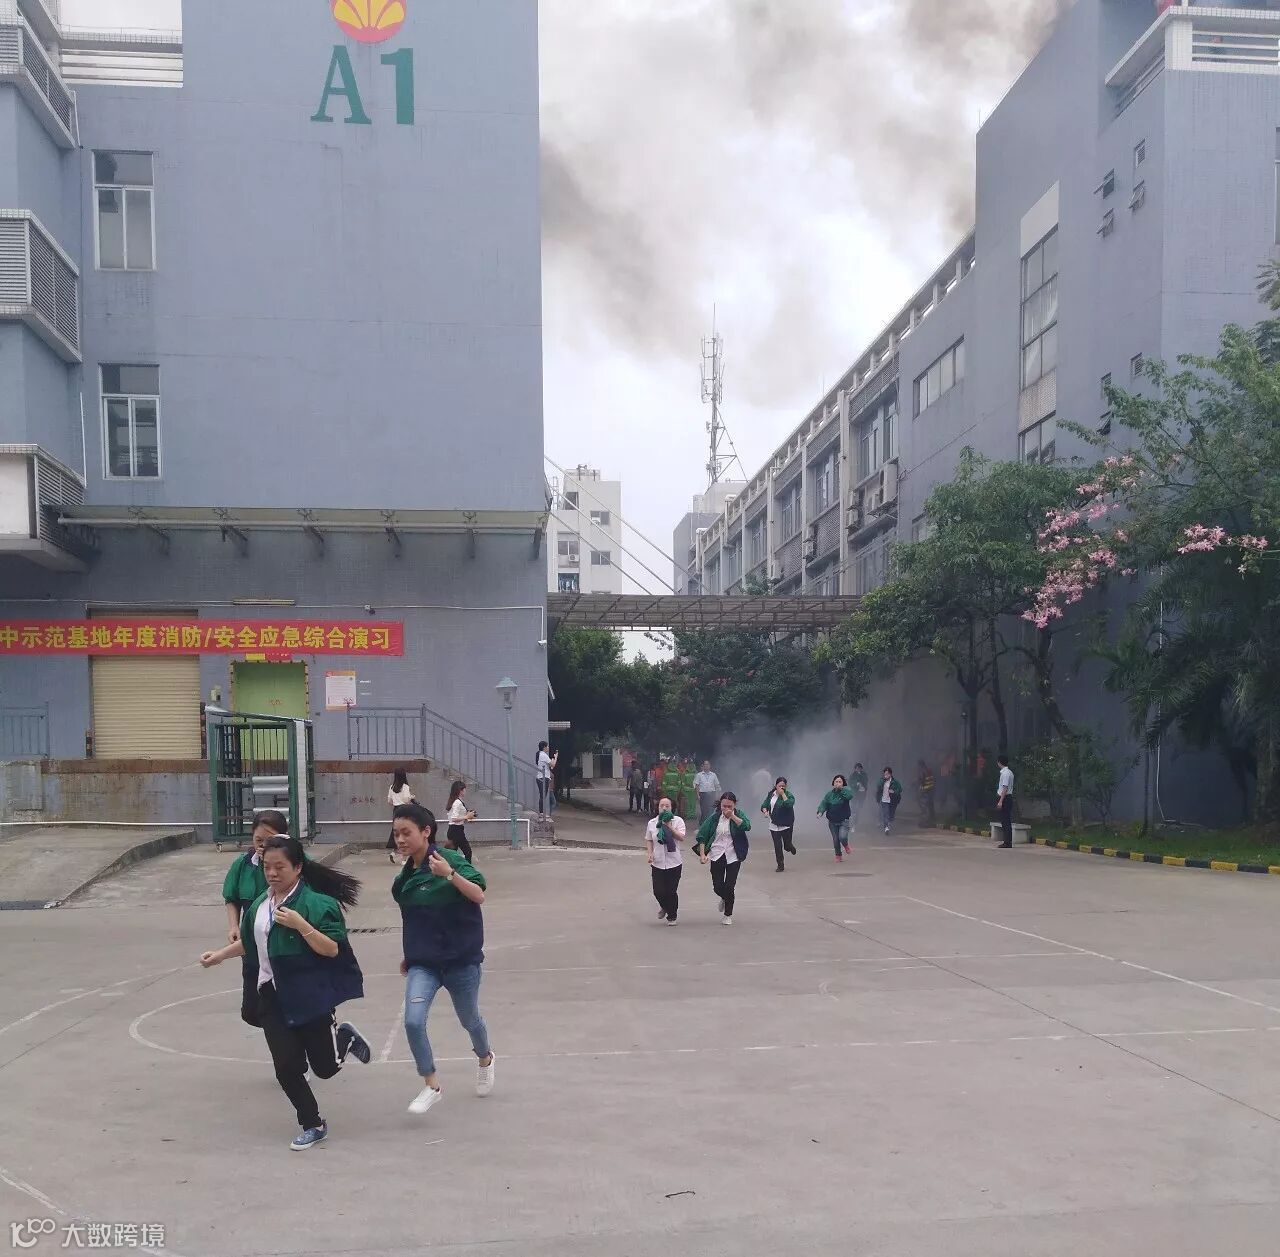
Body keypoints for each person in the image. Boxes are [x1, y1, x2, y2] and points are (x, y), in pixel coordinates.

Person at [200, 835, 371, 1151]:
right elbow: (250, 942)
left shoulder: (318, 904)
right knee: (286, 1067)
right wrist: (220, 955)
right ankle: (312, 1124)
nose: (272, 873)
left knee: (325, 1069)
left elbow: (331, 949)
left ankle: (344, 1039)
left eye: (280, 867)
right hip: (271, 995)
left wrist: (301, 925)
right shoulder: (259, 906)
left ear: (298, 867)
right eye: (267, 867)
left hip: (310, 995)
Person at [391, 802, 494, 1116]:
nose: (400, 840)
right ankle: (431, 1084)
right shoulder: (404, 879)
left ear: (426, 832)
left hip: (461, 961)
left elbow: (478, 895)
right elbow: (413, 919)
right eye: (396, 834)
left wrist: (449, 875)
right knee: (413, 1020)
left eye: (406, 832)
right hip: (424, 964)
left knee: (469, 1020)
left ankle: (486, 1058)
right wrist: (410, 954)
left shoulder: (450, 860)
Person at [222, 810, 281, 1026]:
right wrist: (234, 926)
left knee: (280, 1007)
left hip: (283, 946)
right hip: (252, 947)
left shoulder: (295, 864)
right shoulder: (243, 865)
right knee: (252, 1011)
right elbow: (232, 897)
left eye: (270, 840)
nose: (263, 845)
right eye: (259, 840)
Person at [693, 792, 751, 926]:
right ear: (720, 804)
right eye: (724, 806)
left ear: (734, 805)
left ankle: (728, 914)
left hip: (733, 855)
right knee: (718, 886)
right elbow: (702, 835)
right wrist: (702, 854)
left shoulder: (739, 814)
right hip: (717, 854)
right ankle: (724, 897)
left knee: (730, 886)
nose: (726, 809)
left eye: (730, 806)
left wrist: (733, 817)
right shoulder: (714, 818)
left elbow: (747, 826)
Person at [645, 796, 686, 924]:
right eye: (661, 806)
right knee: (658, 891)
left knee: (671, 891)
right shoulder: (652, 823)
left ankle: (672, 916)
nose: (664, 808)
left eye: (667, 806)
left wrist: (669, 826)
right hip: (658, 862)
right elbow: (649, 839)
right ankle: (665, 906)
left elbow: (681, 837)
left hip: (674, 862)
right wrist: (650, 853)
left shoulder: (678, 821)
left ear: (672, 808)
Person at [761, 776, 797, 872]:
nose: (781, 787)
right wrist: (765, 811)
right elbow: (764, 805)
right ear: (775, 785)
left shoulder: (789, 795)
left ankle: (790, 846)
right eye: (780, 786)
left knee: (786, 846)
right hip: (774, 824)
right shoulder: (771, 794)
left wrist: (783, 794)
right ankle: (780, 865)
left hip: (786, 824)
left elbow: (789, 804)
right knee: (777, 846)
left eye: (783, 786)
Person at [817, 775, 854, 861]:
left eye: (840, 782)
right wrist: (820, 812)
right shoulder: (829, 794)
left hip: (844, 820)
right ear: (833, 783)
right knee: (836, 839)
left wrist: (841, 790)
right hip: (832, 821)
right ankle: (838, 855)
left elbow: (850, 796)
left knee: (842, 837)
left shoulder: (846, 792)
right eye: (836, 782)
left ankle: (845, 845)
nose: (838, 783)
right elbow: (824, 803)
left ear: (843, 784)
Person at [445, 779, 477, 863]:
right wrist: (467, 816)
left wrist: (468, 816)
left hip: (455, 830)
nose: (465, 791)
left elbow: (457, 817)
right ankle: (467, 869)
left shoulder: (457, 801)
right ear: (460, 790)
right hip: (456, 831)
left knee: (452, 854)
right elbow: (454, 818)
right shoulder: (457, 802)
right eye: (464, 789)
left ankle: (449, 868)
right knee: (467, 852)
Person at [387, 769, 415, 863]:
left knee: (396, 831)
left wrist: (396, 800)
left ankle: (394, 852)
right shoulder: (405, 787)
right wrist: (412, 797)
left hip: (395, 810)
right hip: (404, 810)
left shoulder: (392, 787)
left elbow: (389, 801)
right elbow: (406, 800)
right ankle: (404, 858)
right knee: (405, 832)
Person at [996, 754, 1016, 848]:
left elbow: (1005, 788)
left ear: (999, 762)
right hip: (1007, 797)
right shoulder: (1009, 772)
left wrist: (1000, 801)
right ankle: (1007, 841)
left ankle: (1007, 842)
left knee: (1005, 821)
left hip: (1005, 798)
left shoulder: (1005, 774)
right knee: (1005, 820)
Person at [535, 741, 558, 817]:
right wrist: (556, 757)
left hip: (542, 777)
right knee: (543, 796)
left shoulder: (541, 755)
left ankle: (541, 812)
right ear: (544, 747)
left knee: (543, 796)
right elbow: (553, 765)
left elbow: (550, 766)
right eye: (547, 746)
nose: (548, 748)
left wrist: (553, 759)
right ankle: (541, 813)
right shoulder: (543, 755)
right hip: (543, 778)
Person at [879, 767, 904, 835]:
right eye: (885, 774)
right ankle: (886, 827)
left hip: (892, 801)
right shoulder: (882, 781)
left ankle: (889, 822)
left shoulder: (895, 782)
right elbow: (878, 786)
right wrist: (882, 782)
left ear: (890, 774)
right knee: (885, 814)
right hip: (884, 800)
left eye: (887, 774)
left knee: (891, 814)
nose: (886, 775)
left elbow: (900, 789)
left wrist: (894, 791)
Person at [849, 763, 869, 834]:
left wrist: (861, 782)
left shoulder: (864, 774)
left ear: (861, 768)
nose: (858, 769)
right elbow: (850, 783)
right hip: (855, 794)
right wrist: (856, 783)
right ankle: (853, 825)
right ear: (855, 768)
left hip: (862, 793)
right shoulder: (852, 775)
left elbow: (866, 781)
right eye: (857, 768)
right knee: (854, 810)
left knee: (859, 808)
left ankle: (855, 821)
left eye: (859, 768)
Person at [917, 760, 937, 827]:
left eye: (918, 766)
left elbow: (922, 781)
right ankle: (932, 817)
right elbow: (933, 779)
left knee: (924, 805)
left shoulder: (922, 771)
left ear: (920, 765)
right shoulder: (929, 770)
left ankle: (926, 821)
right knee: (930, 804)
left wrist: (918, 782)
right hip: (931, 789)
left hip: (926, 790)